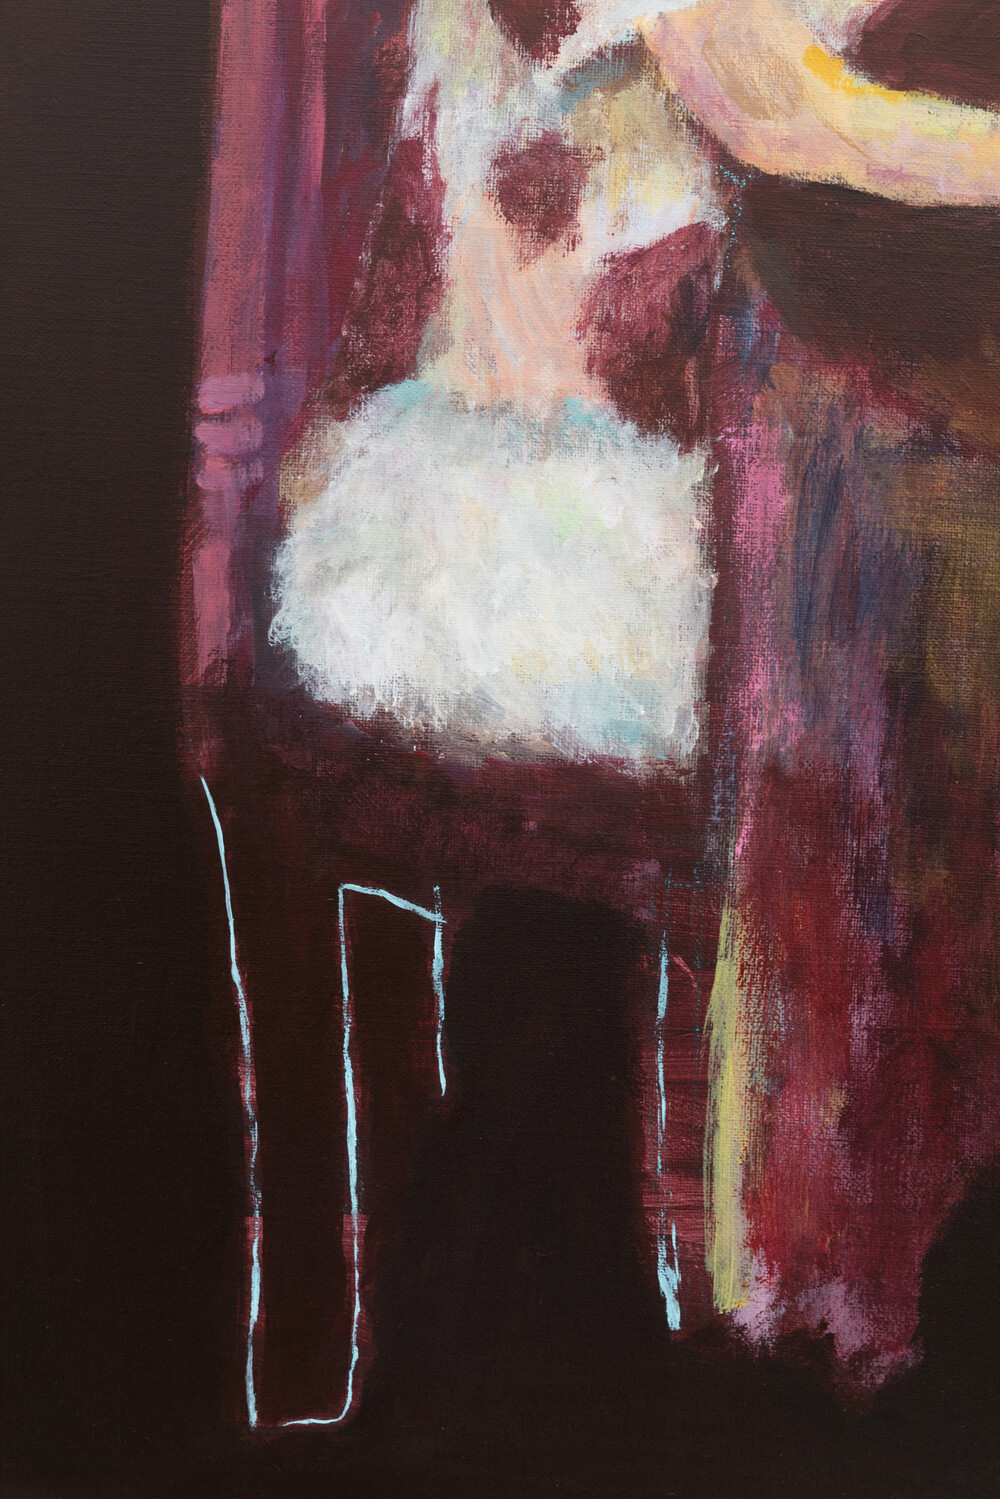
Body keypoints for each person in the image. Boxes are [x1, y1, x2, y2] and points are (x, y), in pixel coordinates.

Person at [258, 0, 1000, 1405]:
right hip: (543, 533)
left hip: (444, 516)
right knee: (843, 614)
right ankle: (686, 1306)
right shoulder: (682, 35)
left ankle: (537, 1301)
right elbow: (794, 119)